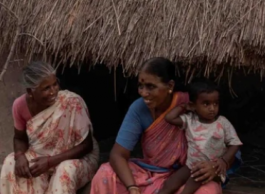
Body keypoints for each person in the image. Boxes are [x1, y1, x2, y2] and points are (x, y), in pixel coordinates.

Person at [90, 58, 239, 194]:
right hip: (149, 172)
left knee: (208, 191)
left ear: (170, 86)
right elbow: (118, 155)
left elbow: (228, 144)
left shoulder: (193, 104)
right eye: (140, 86)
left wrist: (216, 166)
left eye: (150, 86)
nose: (143, 93)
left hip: (187, 175)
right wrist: (132, 187)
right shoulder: (139, 109)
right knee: (105, 174)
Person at [0, 60, 99, 194]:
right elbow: (19, 138)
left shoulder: (71, 102)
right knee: (10, 163)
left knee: (65, 170)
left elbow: (87, 146)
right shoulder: (20, 106)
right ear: (30, 92)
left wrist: (50, 162)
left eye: (55, 84)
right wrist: (19, 156)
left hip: (76, 158)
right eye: (46, 88)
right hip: (41, 156)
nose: (54, 91)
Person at [158, 80, 242, 194]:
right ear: (193, 105)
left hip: (212, 169)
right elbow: (169, 118)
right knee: (170, 184)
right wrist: (184, 107)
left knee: (194, 182)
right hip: (191, 165)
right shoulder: (190, 119)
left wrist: (224, 161)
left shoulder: (222, 123)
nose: (212, 108)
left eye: (215, 103)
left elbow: (235, 143)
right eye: (206, 104)